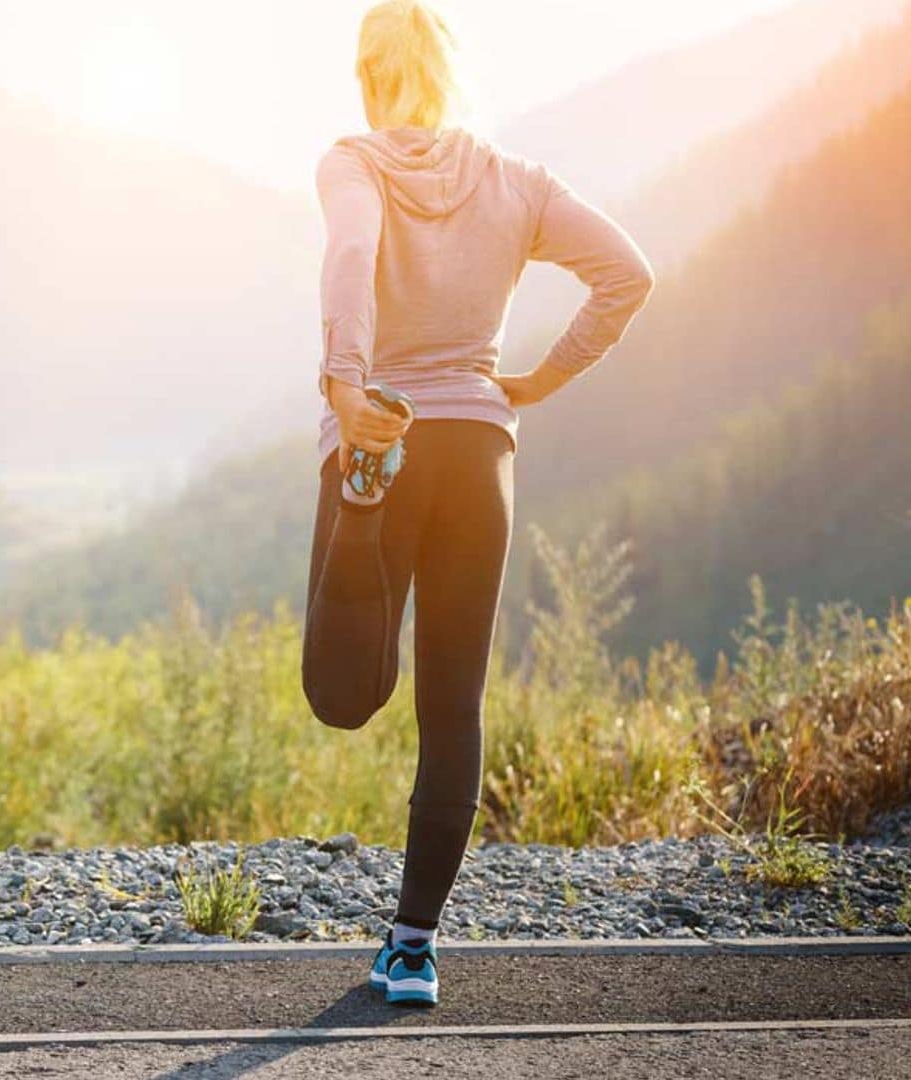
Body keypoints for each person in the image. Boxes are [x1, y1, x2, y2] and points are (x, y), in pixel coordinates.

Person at [301, 0, 655, 1006]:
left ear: (368, 73)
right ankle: (413, 948)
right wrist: (537, 383)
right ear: (448, 76)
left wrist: (347, 383)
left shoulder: (351, 162)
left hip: (384, 432)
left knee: (341, 695)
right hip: (481, 450)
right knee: (453, 706)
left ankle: (366, 501)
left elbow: (349, 258)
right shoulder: (518, 182)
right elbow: (627, 275)